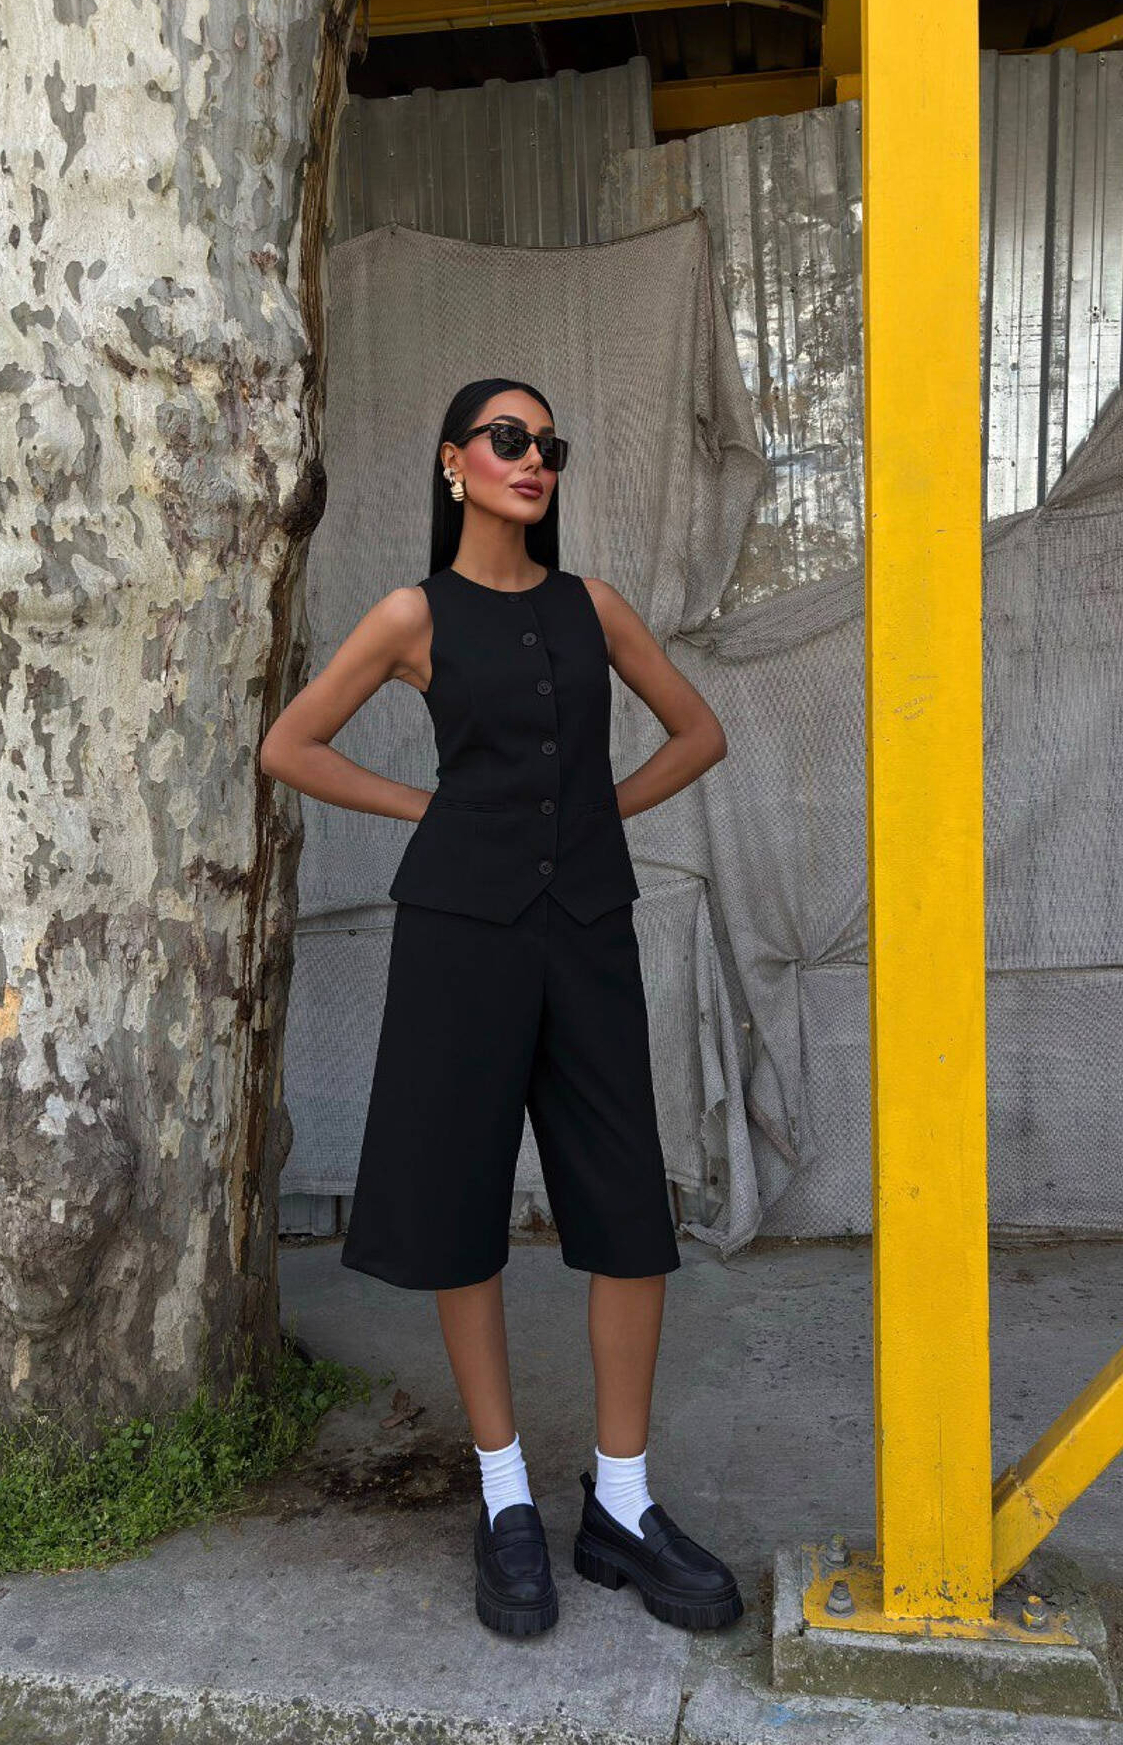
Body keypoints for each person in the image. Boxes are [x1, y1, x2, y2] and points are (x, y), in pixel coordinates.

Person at [260, 378, 743, 1640]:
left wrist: (593, 817)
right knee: (461, 1203)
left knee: (627, 1206)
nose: (534, 460)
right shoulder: (412, 615)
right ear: (454, 463)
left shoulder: (595, 608)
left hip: (587, 934)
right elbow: (290, 746)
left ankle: (623, 1506)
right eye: (509, 439)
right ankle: (506, 1493)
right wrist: (429, 811)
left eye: (549, 445)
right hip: (459, 940)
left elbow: (698, 733)